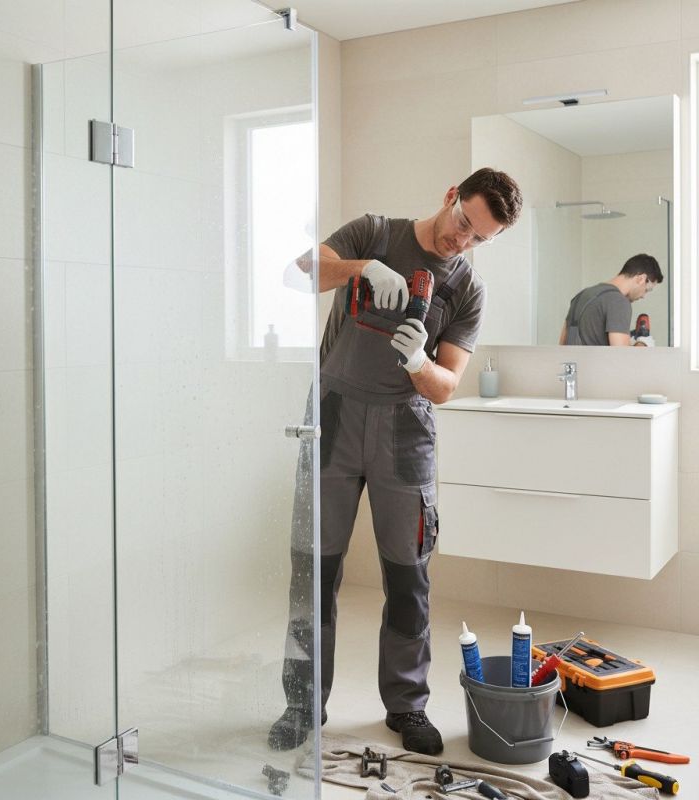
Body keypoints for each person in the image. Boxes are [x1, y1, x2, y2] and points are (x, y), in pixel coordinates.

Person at [269, 168, 523, 756]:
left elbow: (447, 385)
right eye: (464, 223)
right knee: (314, 567)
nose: (463, 243)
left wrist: (417, 361)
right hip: (332, 414)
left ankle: (407, 706)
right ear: (449, 196)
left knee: (408, 577)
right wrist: (361, 268)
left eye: (480, 239)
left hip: (405, 431)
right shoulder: (374, 232)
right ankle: (301, 704)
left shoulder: (467, 289)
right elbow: (301, 272)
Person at [558, 254, 663, 346]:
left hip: (576, 368)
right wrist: (642, 344)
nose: (643, 296)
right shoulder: (619, 302)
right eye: (647, 289)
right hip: (599, 368)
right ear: (641, 279)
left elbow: (563, 345)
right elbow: (621, 357)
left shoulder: (581, 295)